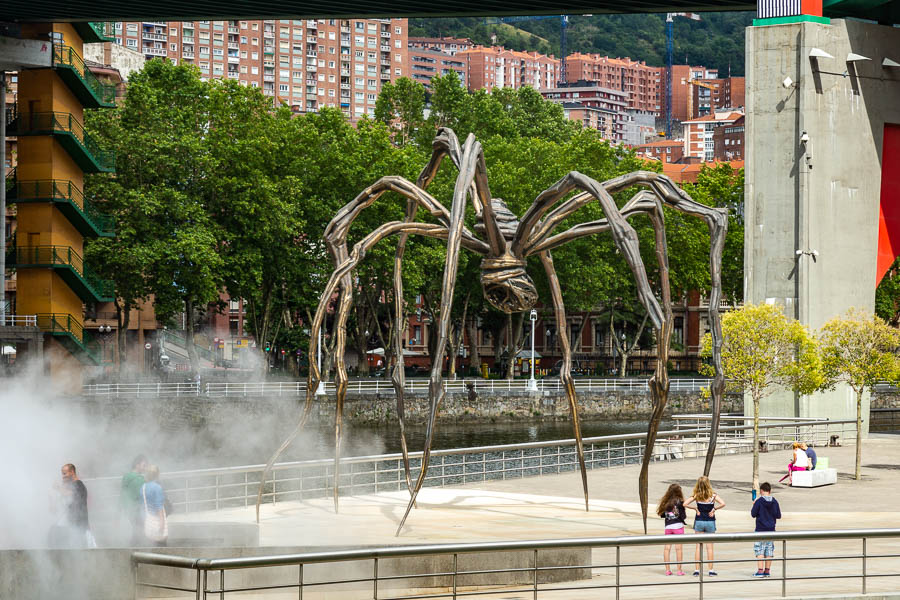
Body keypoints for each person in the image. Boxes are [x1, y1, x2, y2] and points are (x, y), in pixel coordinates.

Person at [684, 475, 726, 577]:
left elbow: (685, 504)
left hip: (699, 521)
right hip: (710, 521)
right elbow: (723, 503)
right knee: (710, 547)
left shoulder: (696, 495)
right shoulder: (713, 496)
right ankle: (711, 570)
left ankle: (697, 570)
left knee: (698, 546)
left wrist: (695, 508)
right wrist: (714, 509)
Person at [49, 463, 92, 548]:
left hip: (80, 527)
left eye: (65, 473)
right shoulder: (70, 487)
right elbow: (56, 509)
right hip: (72, 527)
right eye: (62, 474)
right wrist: (51, 499)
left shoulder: (79, 484)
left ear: (72, 472)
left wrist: (58, 488)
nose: (63, 476)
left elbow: (70, 494)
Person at [750, 482, 781, 578]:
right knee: (769, 550)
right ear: (770, 491)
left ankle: (760, 571)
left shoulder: (759, 501)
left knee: (759, 550)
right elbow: (778, 515)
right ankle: (767, 571)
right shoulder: (775, 501)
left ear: (761, 491)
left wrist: (754, 504)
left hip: (760, 529)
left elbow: (753, 514)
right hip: (771, 529)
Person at [656, 483, 687, 576]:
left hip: (668, 527)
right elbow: (683, 516)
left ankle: (667, 570)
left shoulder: (666, 502)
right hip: (678, 526)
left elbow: (661, 514)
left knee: (667, 548)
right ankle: (679, 570)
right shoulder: (680, 502)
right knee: (679, 549)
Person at [121, 454, 148, 545]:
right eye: (144, 465)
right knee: (139, 534)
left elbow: (122, 495)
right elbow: (143, 497)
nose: (145, 468)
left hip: (127, 510)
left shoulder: (126, 476)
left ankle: (131, 550)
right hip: (136, 511)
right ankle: (135, 553)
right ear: (137, 465)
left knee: (134, 533)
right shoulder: (140, 479)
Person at [140, 465, 168, 546]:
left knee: (150, 548)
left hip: (148, 523)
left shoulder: (143, 487)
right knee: (161, 550)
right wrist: (162, 526)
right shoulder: (157, 488)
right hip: (158, 523)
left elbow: (143, 507)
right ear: (157, 475)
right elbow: (159, 508)